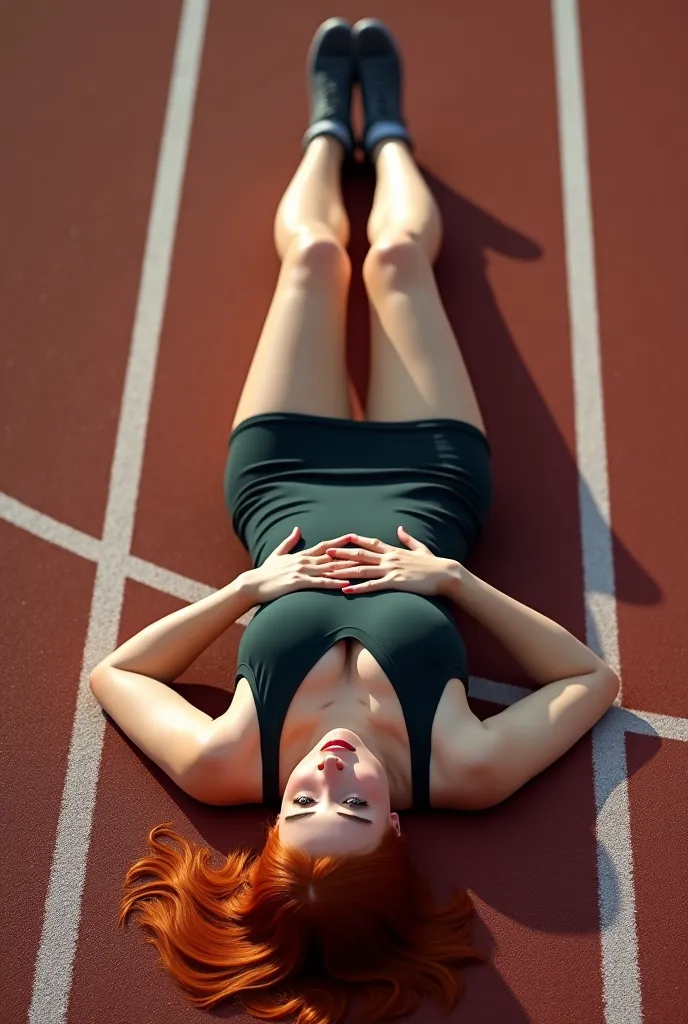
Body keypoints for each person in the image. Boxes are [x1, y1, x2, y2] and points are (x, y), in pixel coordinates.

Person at [89, 18, 619, 1024]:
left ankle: (328, 129)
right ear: (400, 836)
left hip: (280, 474)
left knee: (316, 258)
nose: (330, 775)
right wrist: (452, 583)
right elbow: (590, 680)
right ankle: (393, 139)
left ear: (269, 828)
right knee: (396, 260)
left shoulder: (225, 759)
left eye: (303, 806)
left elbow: (116, 675)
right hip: (432, 481)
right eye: (358, 808)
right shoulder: (458, 767)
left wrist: (248, 592)